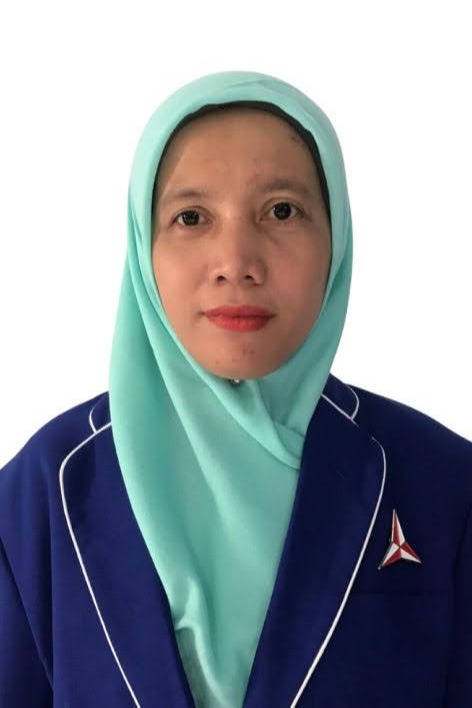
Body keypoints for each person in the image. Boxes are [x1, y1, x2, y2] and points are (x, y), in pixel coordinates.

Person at [0, 70, 470, 708]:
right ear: (143, 247)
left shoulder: (443, 484)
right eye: (191, 217)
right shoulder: (38, 495)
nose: (237, 262)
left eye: (282, 211)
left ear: (336, 239)